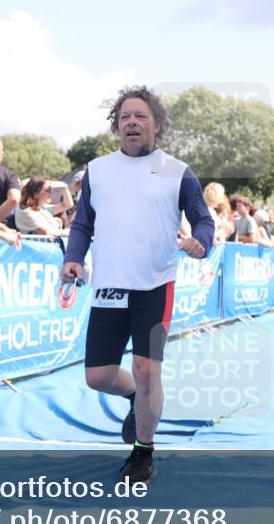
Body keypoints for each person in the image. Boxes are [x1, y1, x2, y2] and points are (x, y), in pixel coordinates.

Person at [61, 86, 214, 483]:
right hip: (109, 287)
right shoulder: (97, 170)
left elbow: (204, 220)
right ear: (117, 126)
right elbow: (81, 223)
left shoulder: (178, 172)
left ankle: (143, 453)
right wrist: (73, 258)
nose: (132, 122)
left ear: (156, 125)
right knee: (98, 376)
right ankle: (133, 399)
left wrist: (201, 242)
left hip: (154, 285)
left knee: (147, 371)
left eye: (140, 116)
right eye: (125, 117)